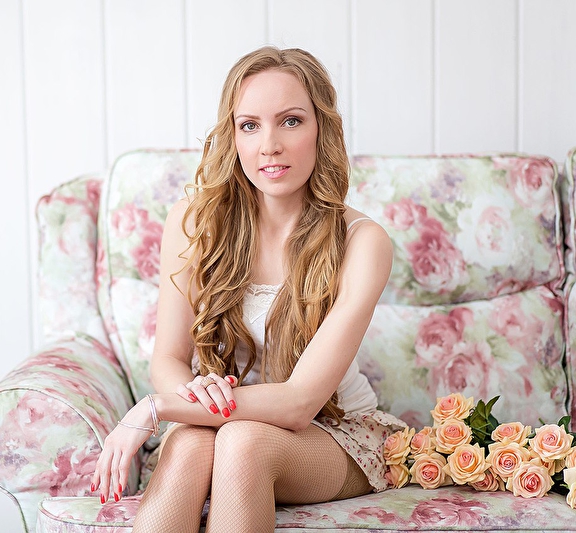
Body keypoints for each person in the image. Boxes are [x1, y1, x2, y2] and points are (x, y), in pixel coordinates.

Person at [90, 45, 406, 533]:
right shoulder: (194, 221)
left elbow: (299, 403)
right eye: (250, 125)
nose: (269, 145)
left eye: (291, 121)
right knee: (192, 443)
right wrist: (190, 392)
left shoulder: (362, 242)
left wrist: (159, 406)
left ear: (322, 128)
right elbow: (168, 358)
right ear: (233, 135)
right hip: (223, 418)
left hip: (332, 431)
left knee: (242, 440)